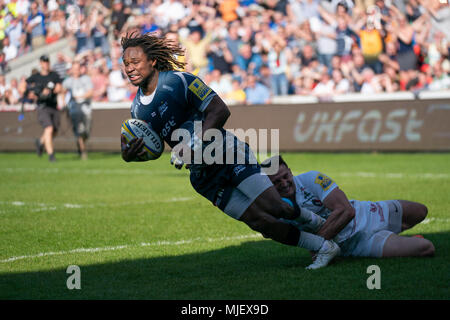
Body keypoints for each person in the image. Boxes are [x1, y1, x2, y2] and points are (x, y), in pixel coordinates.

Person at [120, 32, 340, 270]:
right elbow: (157, 145)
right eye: (126, 64)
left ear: (152, 60)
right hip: (204, 177)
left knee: (274, 206)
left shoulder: (178, 81)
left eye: (135, 62)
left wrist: (193, 142)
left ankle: (320, 223)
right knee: (261, 223)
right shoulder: (136, 110)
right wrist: (131, 155)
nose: (129, 68)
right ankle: (324, 247)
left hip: (226, 152)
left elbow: (219, 110)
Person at [262, 155, 435, 260]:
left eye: (285, 177)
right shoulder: (274, 207)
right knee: (426, 247)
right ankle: (402, 242)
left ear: (290, 172)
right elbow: (273, 231)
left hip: (367, 213)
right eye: (276, 182)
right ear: (268, 185)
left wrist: (317, 245)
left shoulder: (312, 179)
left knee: (420, 211)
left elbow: (346, 210)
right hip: (357, 243)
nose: (284, 183)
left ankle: (400, 238)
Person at [26, 55, 62, 162]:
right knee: (49, 128)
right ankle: (51, 155)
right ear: (40, 63)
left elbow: (59, 88)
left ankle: (40, 142)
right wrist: (37, 93)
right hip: (42, 107)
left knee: (54, 131)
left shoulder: (54, 75)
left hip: (53, 106)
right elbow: (26, 89)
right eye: (44, 62)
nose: (46, 64)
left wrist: (50, 90)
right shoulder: (35, 77)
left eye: (47, 62)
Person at [62, 61, 94, 160]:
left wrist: (80, 96)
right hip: (74, 109)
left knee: (86, 132)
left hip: (86, 109)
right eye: (74, 69)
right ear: (71, 70)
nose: (76, 71)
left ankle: (81, 144)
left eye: (77, 69)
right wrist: (63, 102)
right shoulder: (68, 81)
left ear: (80, 69)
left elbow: (90, 92)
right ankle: (83, 152)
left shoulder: (86, 79)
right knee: (79, 131)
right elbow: (62, 91)